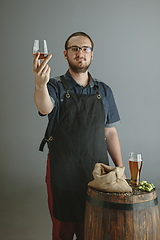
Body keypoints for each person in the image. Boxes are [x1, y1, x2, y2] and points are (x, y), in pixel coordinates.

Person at [33, 32, 125, 240]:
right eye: (74, 48)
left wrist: (119, 169)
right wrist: (40, 85)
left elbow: (109, 131)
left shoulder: (104, 90)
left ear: (92, 55)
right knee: (62, 230)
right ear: (65, 54)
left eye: (85, 49)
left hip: (97, 173)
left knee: (93, 228)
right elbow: (45, 107)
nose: (80, 53)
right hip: (62, 170)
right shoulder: (54, 86)